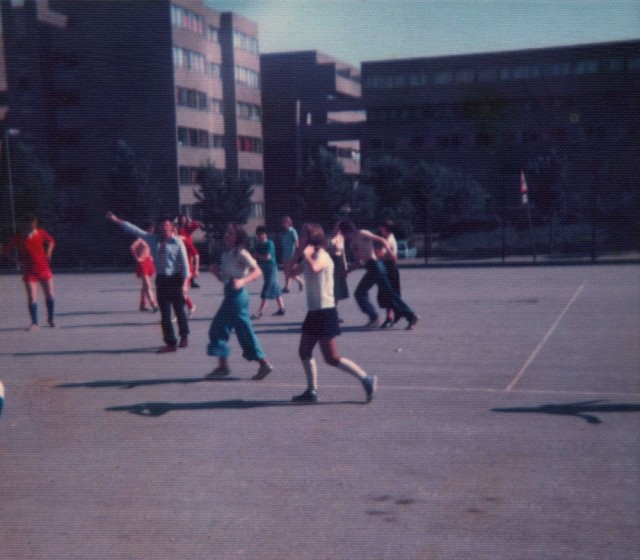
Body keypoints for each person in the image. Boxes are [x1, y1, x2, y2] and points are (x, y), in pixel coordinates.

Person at [285, 223, 377, 403]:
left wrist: (304, 254)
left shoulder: (323, 256)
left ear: (311, 238)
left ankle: (367, 379)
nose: (300, 237)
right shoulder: (308, 255)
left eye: (303, 234)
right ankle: (311, 392)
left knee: (331, 358)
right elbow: (289, 272)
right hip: (314, 311)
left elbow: (316, 268)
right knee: (304, 351)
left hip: (326, 311)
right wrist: (297, 254)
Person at [107, 212, 191, 352]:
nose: (164, 228)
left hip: (175, 280)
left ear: (171, 227)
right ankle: (170, 343)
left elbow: (186, 267)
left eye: (167, 225)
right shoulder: (153, 239)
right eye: (162, 225)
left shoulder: (177, 242)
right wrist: (117, 220)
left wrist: (184, 286)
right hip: (162, 280)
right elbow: (135, 230)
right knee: (164, 313)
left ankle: (184, 336)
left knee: (179, 310)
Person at [206, 223, 273, 380]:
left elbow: (257, 270)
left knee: (217, 329)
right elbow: (225, 279)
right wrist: (216, 273)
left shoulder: (241, 252)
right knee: (245, 332)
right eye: (226, 233)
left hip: (237, 297)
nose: (226, 236)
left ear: (237, 237)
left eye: (230, 233)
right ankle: (264, 364)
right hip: (231, 294)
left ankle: (223, 367)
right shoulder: (226, 253)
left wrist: (242, 281)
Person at [338, 220, 418, 330]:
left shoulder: (362, 233)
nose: (343, 236)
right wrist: (347, 271)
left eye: (342, 233)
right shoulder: (352, 243)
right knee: (388, 295)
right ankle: (410, 316)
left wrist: (391, 254)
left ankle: (375, 318)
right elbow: (358, 263)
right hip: (372, 268)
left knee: (362, 293)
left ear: (347, 231)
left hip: (376, 266)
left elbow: (381, 240)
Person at [0, 214, 57, 330]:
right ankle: (34, 323)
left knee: (49, 294)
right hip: (29, 270)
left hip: (43, 268)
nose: (33, 225)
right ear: (25, 224)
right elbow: (4, 250)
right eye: (31, 223)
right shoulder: (18, 237)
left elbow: (51, 241)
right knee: (32, 296)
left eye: (34, 222)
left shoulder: (40, 233)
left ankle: (51, 320)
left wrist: (48, 253)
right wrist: (17, 261)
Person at [252, 226, 285, 318]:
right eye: (259, 235)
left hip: (272, 269)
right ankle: (282, 309)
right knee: (276, 289)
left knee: (267, 288)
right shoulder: (257, 245)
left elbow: (267, 257)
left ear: (266, 235)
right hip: (264, 270)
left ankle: (260, 311)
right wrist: (254, 274)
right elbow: (254, 259)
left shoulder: (269, 243)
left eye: (262, 234)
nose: (261, 236)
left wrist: (257, 255)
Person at [376, 219, 400, 328]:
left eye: (382, 227)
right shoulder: (387, 238)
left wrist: (372, 255)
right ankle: (396, 314)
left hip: (390, 268)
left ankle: (390, 317)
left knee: (389, 294)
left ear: (386, 229)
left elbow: (380, 254)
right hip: (388, 267)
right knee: (389, 294)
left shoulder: (388, 240)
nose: (380, 228)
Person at [130, 222, 158, 312]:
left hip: (149, 262)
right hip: (142, 263)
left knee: (145, 285)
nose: (152, 230)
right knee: (148, 284)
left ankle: (143, 304)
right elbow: (132, 247)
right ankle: (153, 304)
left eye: (153, 229)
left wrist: (151, 256)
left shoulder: (150, 239)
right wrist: (137, 258)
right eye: (150, 228)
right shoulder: (141, 238)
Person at [327, 221, 349, 319]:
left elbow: (343, 252)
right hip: (331, 262)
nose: (337, 230)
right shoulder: (328, 238)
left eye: (339, 228)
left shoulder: (342, 237)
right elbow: (325, 251)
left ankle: (334, 313)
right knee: (332, 289)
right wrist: (332, 247)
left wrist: (345, 265)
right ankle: (331, 313)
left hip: (339, 262)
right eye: (336, 228)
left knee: (338, 289)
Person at [176, 214, 203, 288]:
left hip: (189, 246)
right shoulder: (177, 228)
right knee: (182, 264)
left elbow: (196, 225)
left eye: (184, 219)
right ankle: (183, 280)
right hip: (181, 247)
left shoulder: (187, 228)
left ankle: (191, 281)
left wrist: (190, 220)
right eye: (181, 219)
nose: (183, 220)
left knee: (190, 264)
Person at [280, 216, 304, 292]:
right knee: (286, 271)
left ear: (289, 223)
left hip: (291, 254)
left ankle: (287, 287)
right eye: (283, 222)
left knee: (288, 271)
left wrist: (297, 254)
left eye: (285, 222)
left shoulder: (293, 231)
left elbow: (296, 243)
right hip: (285, 254)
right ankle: (300, 280)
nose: (283, 224)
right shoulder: (285, 232)